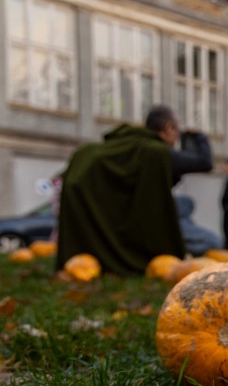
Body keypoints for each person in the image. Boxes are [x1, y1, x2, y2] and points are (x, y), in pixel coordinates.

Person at [56, 105, 212, 275]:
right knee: (213, 243)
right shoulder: (156, 152)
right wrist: (198, 136)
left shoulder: (122, 147)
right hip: (136, 229)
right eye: (177, 133)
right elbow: (204, 162)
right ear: (168, 129)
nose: (177, 139)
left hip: (115, 215)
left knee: (185, 203)